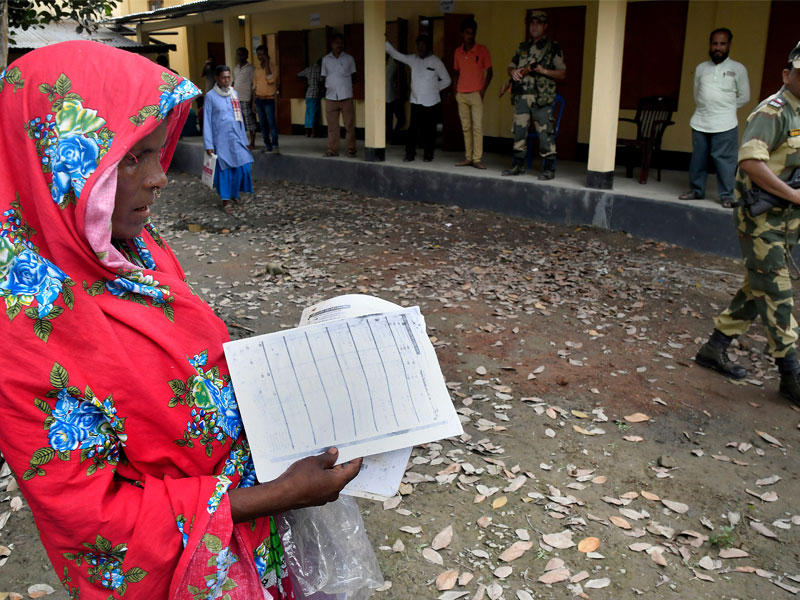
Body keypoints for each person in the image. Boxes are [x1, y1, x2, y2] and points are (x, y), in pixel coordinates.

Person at [0, 40, 362, 599]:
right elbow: (93, 524)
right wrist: (277, 496)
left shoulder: (133, 248)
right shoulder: (26, 330)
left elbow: (190, 359)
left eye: (154, 151)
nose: (159, 176)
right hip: (198, 559)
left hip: (250, 511)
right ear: (57, 170)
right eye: (128, 159)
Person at [695, 41, 800, 406]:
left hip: (785, 224)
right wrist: (795, 196)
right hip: (761, 221)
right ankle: (792, 376)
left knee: (758, 287)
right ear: (787, 75)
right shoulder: (773, 112)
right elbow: (751, 163)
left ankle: (714, 348)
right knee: (777, 293)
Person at [679, 28, 750, 207]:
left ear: (729, 45)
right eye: (715, 43)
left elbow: (744, 96)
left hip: (726, 123)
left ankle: (726, 196)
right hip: (701, 121)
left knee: (725, 161)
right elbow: (697, 94)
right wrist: (709, 106)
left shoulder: (738, 68)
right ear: (710, 45)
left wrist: (725, 109)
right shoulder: (701, 68)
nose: (718, 47)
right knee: (698, 159)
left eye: (722, 44)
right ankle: (696, 190)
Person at [502, 10, 566, 180]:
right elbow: (510, 66)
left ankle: (549, 168)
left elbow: (562, 74)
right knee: (519, 131)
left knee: (545, 133)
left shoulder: (553, 48)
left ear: (545, 26)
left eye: (539, 23)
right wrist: (513, 72)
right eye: (532, 23)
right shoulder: (523, 47)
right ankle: (518, 165)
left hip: (540, 97)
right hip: (521, 96)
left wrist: (543, 70)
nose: (534, 26)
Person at [385, 35, 451, 162]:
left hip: (431, 102)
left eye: (423, 45)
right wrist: (386, 42)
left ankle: (428, 154)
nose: (420, 48)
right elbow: (397, 55)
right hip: (416, 101)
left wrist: (433, 89)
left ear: (428, 46)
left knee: (430, 130)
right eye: (418, 45)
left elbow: (447, 80)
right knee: (412, 129)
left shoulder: (436, 61)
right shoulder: (413, 59)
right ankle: (410, 154)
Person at [204, 65, 255, 212]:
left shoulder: (234, 94)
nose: (226, 80)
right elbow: (207, 121)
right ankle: (226, 200)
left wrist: (245, 139)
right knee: (225, 169)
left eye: (228, 77)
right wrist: (208, 143)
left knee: (243, 166)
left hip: (237, 137)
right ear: (217, 78)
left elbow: (239, 118)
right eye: (223, 77)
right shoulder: (211, 97)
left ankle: (235, 193)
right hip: (220, 140)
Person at [453, 17, 493, 169]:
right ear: (462, 34)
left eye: (473, 33)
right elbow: (456, 72)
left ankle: (477, 159)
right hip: (461, 94)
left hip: (476, 93)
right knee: (466, 127)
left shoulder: (482, 50)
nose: (471, 36)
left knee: (477, 127)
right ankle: (468, 158)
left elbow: (490, 72)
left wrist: (483, 90)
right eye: (468, 33)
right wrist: (456, 91)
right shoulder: (457, 52)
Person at [321, 33, 357, 157]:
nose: (339, 45)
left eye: (340, 42)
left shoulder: (349, 59)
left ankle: (351, 150)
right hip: (330, 97)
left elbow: (354, 76)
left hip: (346, 96)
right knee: (332, 127)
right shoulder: (325, 59)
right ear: (331, 44)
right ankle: (332, 150)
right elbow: (324, 76)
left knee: (349, 125)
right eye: (336, 42)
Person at [254, 44, 279, 153]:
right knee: (263, 124)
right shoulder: (257, 70)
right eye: (258, 54)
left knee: (271, 123)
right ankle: (267, 145)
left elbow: (270, 80)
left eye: (262, 54)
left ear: (267, 55)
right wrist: (254, 102)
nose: (260, 57)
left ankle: (275, 145)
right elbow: (255, 87)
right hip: (259, 99)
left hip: (269, 99)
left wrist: (267, 64)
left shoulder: (274, 67)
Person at [233, 46, 257, 149]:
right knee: (238, 122)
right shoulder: (235, 68)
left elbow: (254, 85)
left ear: (246, 55)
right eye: (238, 54)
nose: (239, 56)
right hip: (236, 99)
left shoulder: (251, 69)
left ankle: (252, 142)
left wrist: (253, 101)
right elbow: (234, 82)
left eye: (242, 54)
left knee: (249, 121)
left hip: (246, 99)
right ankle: (241, 141)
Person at [297, 58, 323, 137]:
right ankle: (313, 133)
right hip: (315, 93)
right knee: (313, 114)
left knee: (308, 113)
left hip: (308, 93)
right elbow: (321, 80)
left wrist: (305, 83)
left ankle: (306, 132)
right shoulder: (320, 70)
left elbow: (299, 74)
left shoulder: (309, 68)